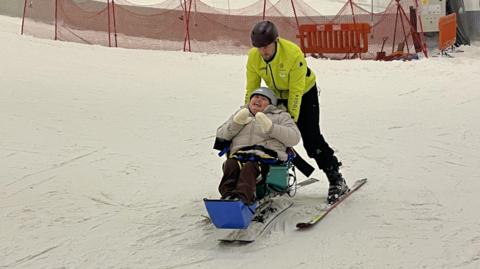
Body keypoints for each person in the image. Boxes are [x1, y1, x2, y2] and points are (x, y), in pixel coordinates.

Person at [245, 20, 349, 204]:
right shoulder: (254, 57)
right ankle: (275, 182)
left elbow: (295, 93)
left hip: (303, 92)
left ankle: (335, 177)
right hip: (277, 94)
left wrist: (291, 120)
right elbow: (251, 89)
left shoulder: (293, 54)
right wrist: (249, 113)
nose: (263, 51)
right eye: (259, 47)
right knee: (268, 136)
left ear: (276, 41)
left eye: (266, 46)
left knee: (311, 138)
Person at [215, 87, 301, 204]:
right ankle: (227, 196)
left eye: (263, 98)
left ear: (271, 104)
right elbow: (221, 136)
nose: (258, 100)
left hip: (267, 158)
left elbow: (294, 138)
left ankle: (243, 199)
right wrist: (236, 123)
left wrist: (271, 128)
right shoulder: (241, 114)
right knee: (231, 164)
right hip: (240, 155)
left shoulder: (280, 116)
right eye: (255, 97)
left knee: (250, 167)